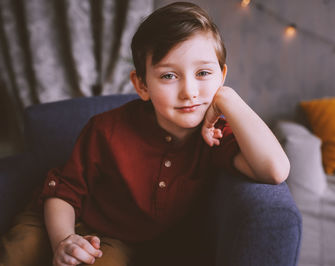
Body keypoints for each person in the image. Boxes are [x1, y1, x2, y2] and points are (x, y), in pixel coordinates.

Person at [0, 2, 290, 266]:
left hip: (115, 240)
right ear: (142, 86)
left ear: (222, 75)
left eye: (203, 73)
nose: (189, 91)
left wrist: (228, 98)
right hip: (53, 216)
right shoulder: (106, 129)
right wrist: (63, 240)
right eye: (168, 76)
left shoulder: (214, 136)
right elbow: (63, 192)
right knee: (19, 253)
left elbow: (276, 171)